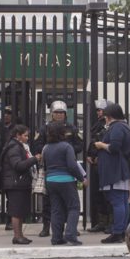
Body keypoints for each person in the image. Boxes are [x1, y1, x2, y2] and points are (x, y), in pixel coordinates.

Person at [33, 100, 84, 237]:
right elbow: (37, 145)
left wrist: (67, 151)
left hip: (68, 169)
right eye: (57, 112)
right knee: (48, 202)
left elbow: (80, 145)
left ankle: (71, 227)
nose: (59, 115)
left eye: (62, 112)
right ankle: (45, 227)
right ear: (52, 114)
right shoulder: (44, 128)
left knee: (69, 201)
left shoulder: (72, 128)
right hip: (50, 168)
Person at [92, 102, 130, 244]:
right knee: (121, 201)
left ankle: (117, 232)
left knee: (117, 201)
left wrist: (101, 145)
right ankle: (121, 231)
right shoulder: (123, 127)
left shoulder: (117, 128)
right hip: (119, 169)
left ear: (110, 117)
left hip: (115, 170)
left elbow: (114, 147)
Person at [42, 122, 87, 245]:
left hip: (50, 180)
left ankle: (56, 238)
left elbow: (44, 165)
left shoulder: (46, 148)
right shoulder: (66, 147)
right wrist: (82, 178)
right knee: (74, 207)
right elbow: (72, 166)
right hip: (66, 180)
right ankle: (70, 234)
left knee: (56, 209)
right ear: (62, 133)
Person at [0, 124, 41, 245]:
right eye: (25, 136)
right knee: (16, 211)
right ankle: (17, 236)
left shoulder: (19, 146)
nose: (27, 138)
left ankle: (20, 235)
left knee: (20, 210)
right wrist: (35, 159)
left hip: (20, 183)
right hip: (15, 183)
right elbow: (18, 165)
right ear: (18, 135)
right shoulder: (14, 148)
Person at [86, 99, 111, 233]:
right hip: (96, 163)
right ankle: (101, 222)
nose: (99, 112)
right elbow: (93, 143)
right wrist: (89, 155)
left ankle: (109, 223)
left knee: (107, 194)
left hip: (105, 163)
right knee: (98, 194)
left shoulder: (109, 125)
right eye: (97, 110)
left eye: (101, 110)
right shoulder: (97, 125)